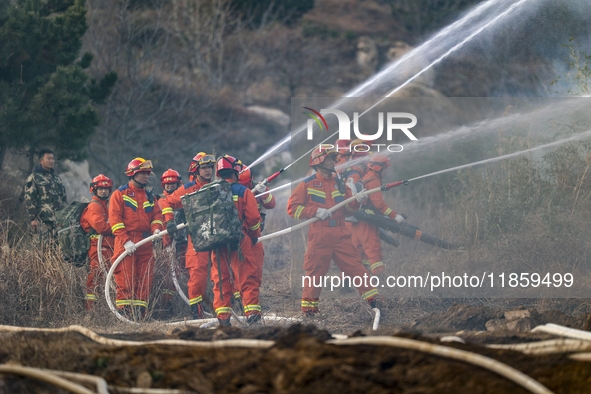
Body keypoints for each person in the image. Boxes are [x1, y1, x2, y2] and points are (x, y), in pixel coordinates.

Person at [287, 144, 379, 316]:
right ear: (319, 161)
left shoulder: (339, 183)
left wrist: (357, 200)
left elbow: (349, 210)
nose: (333, 161)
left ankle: (374, 304)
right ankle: (309, 312)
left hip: (341, 234)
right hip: (319, 235)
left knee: (357, 268)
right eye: (329, 158)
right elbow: (292, 208)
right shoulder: (306, 185)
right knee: (315, 273)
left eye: (333, 158)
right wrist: (314, 211)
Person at [160, 153, 215, 319]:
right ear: (196, 170)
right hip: (197, 237)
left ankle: (224, 310)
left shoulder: (219, 186)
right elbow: (166, 202)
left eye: (209, 167)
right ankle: (197, 313)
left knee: (222, 274)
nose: (208, 171)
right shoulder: (189, 188)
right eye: (204, 168)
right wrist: (169, 221)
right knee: (197, 275)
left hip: (219, 236)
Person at [108, 158, 164, 320]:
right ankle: (125, 316)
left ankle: (140, 316)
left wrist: (156, 230)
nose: (146, 176)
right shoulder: (120, 194)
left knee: (144, 280)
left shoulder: (150, 196)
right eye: (142, 173)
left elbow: (157, 216)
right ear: (132, 174)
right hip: (126, 243)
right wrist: (126, 241)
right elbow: (115, 220)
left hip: (145, 243)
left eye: (147, 173)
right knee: (126, 279)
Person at [210, 155, 262, 326]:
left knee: (221, 280)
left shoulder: (209, 191)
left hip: (217, 244)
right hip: (239, 241)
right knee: (246, 277)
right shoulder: (242, 191)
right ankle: (252, 317)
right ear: (236, 171)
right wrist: (254, 237)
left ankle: (223, 320)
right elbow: (254, 219)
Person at [353, 154, 404, 275]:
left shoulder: (367, 177)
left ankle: (346, 282)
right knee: (373, 250)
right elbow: (378, 204)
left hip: (358, 221)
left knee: (358, 252)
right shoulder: (374, 180)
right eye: (385, 168)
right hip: (367, 222)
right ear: (378, 168)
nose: (386, 171)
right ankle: (379, 277)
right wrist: (394, 216)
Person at [237, 165, 276, 314]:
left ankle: (253, 302)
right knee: (243, 272)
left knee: (256, 271)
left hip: (256, 235)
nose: (246, 187)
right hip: (241, 235)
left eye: (247, 184)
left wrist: (264, 193)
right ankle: (242, 303)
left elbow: (272, 204)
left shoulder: (258, 187)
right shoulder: (233, 190)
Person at [80, 174, 114, 310]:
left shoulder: (107, 205)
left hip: (108, 248)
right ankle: (91, 311)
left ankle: (104, 309)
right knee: (95, 279)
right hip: (97, 249)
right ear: (94, 189)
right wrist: (119, 227)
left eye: (106, 188)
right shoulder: (94, 207)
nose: (103, 191)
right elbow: (101, 227)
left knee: (108, 279)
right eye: (100, 188)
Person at [153, 168, 185, 318]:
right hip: (168, 242)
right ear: (163, 185)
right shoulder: (160, 201)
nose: (171, 187)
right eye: (168, 185)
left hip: (183, 241)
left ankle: (183, 302)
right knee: (169, 274)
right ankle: (165, 305)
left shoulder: (183, 199)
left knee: (184, 272)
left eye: (173, 184)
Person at [23, 148, 67, 239]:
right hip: (43, 221)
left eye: (53, 159)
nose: (51, 161)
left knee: (58, 248)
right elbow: (29, 199)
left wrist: (64, 215)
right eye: (49, 159)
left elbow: (63, 198)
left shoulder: (57, 179)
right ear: (41, 160)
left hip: (58, 221)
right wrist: (33, 218)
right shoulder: (34, 177)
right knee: (43, 248)